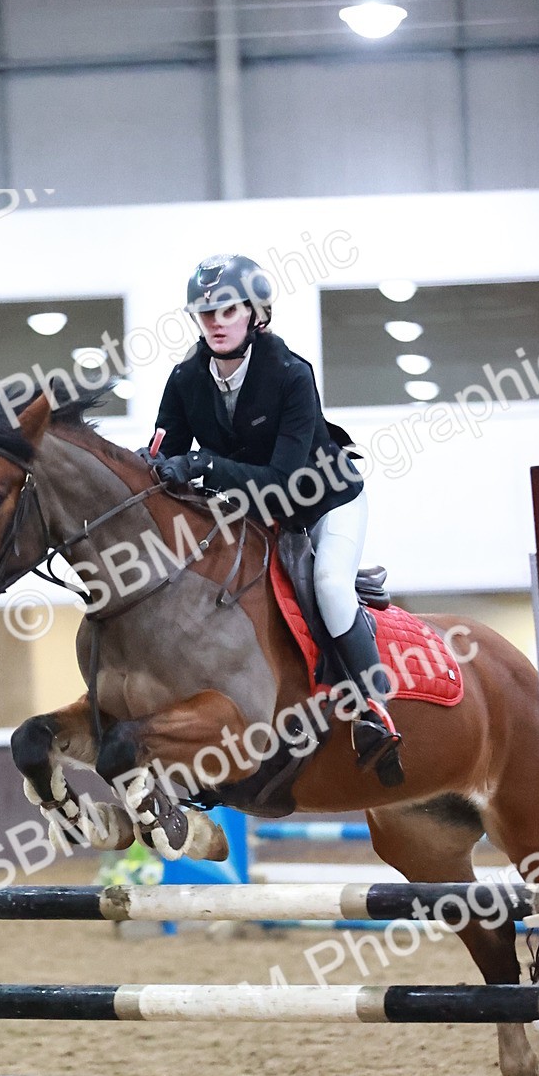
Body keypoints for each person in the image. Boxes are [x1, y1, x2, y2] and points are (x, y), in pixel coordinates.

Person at [139, 253, 403, 788]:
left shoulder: (290, 374)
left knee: (330, 586)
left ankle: (374, 709)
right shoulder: (185, 378)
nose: (216, 322)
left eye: (228, 310)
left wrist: (204, 465)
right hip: (252, 516)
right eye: (205, 312)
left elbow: (282, 480)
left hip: (322, 504)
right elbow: (162, 458)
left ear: (255, 313)